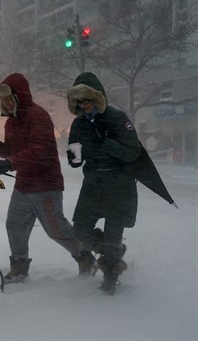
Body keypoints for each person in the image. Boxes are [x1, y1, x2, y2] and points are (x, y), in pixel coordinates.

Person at [0, 73, 94, 284]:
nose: (5, 103)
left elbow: (39, 149)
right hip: (24, 184)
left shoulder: (38, 116)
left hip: (46, 184)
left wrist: (11, 162)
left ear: (20, 96)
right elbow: (13, 150)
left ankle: (85, 257)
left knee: (56, 230)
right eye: (2, 100)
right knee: (14, 225)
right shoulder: (11, 122)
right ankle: (19, 268)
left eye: (8, 98)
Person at [65, 72, 141, 294]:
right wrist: (73, 158)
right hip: (92, 186)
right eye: (77, 102)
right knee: (79, 229)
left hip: (119, 186)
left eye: (86, 100)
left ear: (97, 98)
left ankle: (110, 279)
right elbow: (75, 158)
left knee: (113, 235)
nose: (82, 105)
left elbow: (133, 152)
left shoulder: (117, 118)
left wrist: (108, 144)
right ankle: (110, 251)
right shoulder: (78, 124)